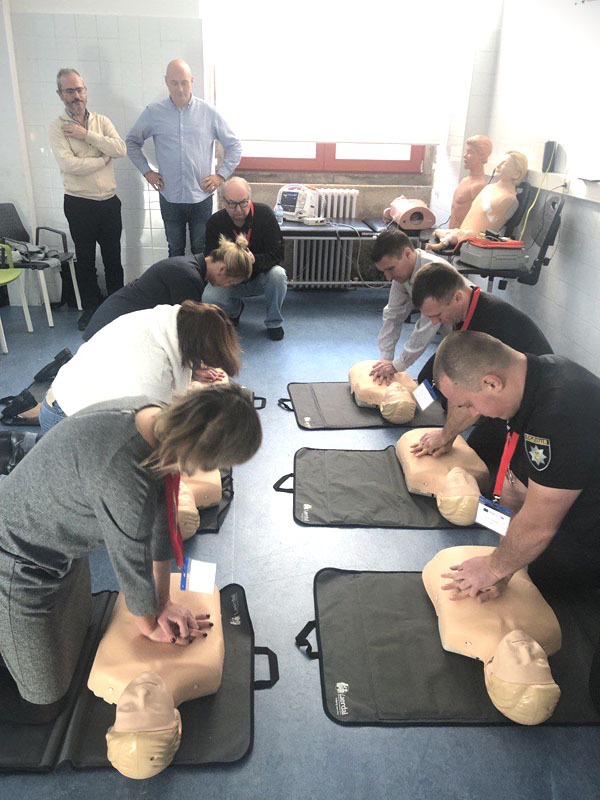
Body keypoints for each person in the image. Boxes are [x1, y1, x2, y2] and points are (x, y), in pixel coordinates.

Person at [0, 384, 262, 723]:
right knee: (45, 706)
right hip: (16, 558)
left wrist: (164, 602)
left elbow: (160, 521)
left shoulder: (158, 420)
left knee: (82, 633)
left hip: (61, 550)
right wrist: (150, 625)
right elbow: (131, 566)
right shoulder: (123, 475)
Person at [432, 330, 600, 598]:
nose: (472, 413)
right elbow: (515, 482)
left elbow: (539, 525)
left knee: (547, 577)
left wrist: (495, 567)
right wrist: (503, 566)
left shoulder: (560, 413)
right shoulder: (530, 382)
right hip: (578, 488)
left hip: (591, 525)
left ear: (491, 383)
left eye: (469, 404)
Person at [409, 262, 553, 471]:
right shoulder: (467, 308)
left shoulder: (491, 320)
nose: (434, 322)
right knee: (427, 378)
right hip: (494, 382)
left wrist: (446, 436)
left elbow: (472, 387)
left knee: (480, 452)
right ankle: (438, 409)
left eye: (438, 316)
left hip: (530, 399)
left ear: (457, 298)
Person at [39, 301, 240, 433]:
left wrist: (193, 372)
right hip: (66, 418)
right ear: (193, 349)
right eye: (203, 359)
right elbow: (154, 432)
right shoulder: (153, 369)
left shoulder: (167, 322)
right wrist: (197, 399)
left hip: (71, 392)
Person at [423, 546, 562, 725]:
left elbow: (434, 575)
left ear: (491, 674)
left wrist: (497, 568)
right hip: (511, 552)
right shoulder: (551, 632)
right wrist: (497, 568)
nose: (526, 649)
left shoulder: (458, 634)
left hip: (455, 556)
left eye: (519, 662)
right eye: (539, 661)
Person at [126, 59, 242, 258]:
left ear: (192, 81)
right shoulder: (154, 113)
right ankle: (178, 281)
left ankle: (198, 281)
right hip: (170, 196)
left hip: (201, 197)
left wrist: (221, 176)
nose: (180, 89)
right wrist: (147, 172)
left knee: (201, 251)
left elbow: (235, 146)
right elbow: (131, 142)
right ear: (166, 82)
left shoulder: (208, 112)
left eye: (184, 82)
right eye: (174, 83)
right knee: (175, 250)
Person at [49, 68, 126, 331]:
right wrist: (102, 159)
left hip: (109, 202)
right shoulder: (57, 128)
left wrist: (86, 136)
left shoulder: (101, 122)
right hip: (79, 203)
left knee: (113, 258)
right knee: (85, 260)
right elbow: (69, 165)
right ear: (60, 94)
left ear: (86, 91)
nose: (76, 95)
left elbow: (120, 149)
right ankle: (91, 309)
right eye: (70, 90)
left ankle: (118, 306)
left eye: (80, 89)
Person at [83, 234, 252, 341]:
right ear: (222, 269)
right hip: (107, 331)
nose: (225, 286)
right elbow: (188, 333)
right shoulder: (188, 277)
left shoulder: (190, 266)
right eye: (230, 282)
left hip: (115, 323)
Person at [203, 178, 287, 340]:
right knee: (209, 296)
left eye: (243, 203)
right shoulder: (215, 222)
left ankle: (274, 322)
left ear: (250, 199)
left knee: (278, 275)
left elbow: (278, 253)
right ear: (223, 202)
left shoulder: (264, 215)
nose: (238, 209)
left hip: (260, 276)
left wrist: (255, 260)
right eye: (232, 204)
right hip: (230, 279)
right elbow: (210, 257)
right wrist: (231, 265)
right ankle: (234, 310)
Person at [368, 230, 454, 385]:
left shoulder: (434, 271)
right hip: (452, 338)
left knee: (442, 386)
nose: (388, 277)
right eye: (384, 271)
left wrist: (397, 365)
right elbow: (393, 315)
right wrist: (386, 358)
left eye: (391, 268)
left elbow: (427, 326)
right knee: (426, 379)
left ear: (407, 253)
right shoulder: (402, 276)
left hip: (472, 334)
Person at [427, 151, 528, 252]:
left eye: (504, 163)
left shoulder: (509, 199)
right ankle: (451, 237)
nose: (498, 165)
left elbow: (490, 225)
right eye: (500, 161)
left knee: (466, 234)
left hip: (475, 240)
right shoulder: (489, 187)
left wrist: (468, 235)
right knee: (439, 231)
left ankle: (448, 240)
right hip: (462, 232)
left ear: (516, 173)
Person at [396, 427, 489, 525]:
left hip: (413, 434)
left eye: (456, 483)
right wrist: (447, 435)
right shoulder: (481, 472)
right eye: (469, 482)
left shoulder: (419, 474)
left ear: (440, 497)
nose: (461, 475)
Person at [448, 135, 493, 228]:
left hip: (462, 235)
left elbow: (488, 217)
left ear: (482, 156)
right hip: (450, 233)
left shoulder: (479, 186)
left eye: (470, 152)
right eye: (466, 151)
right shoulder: (465, 180)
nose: (465, 156)